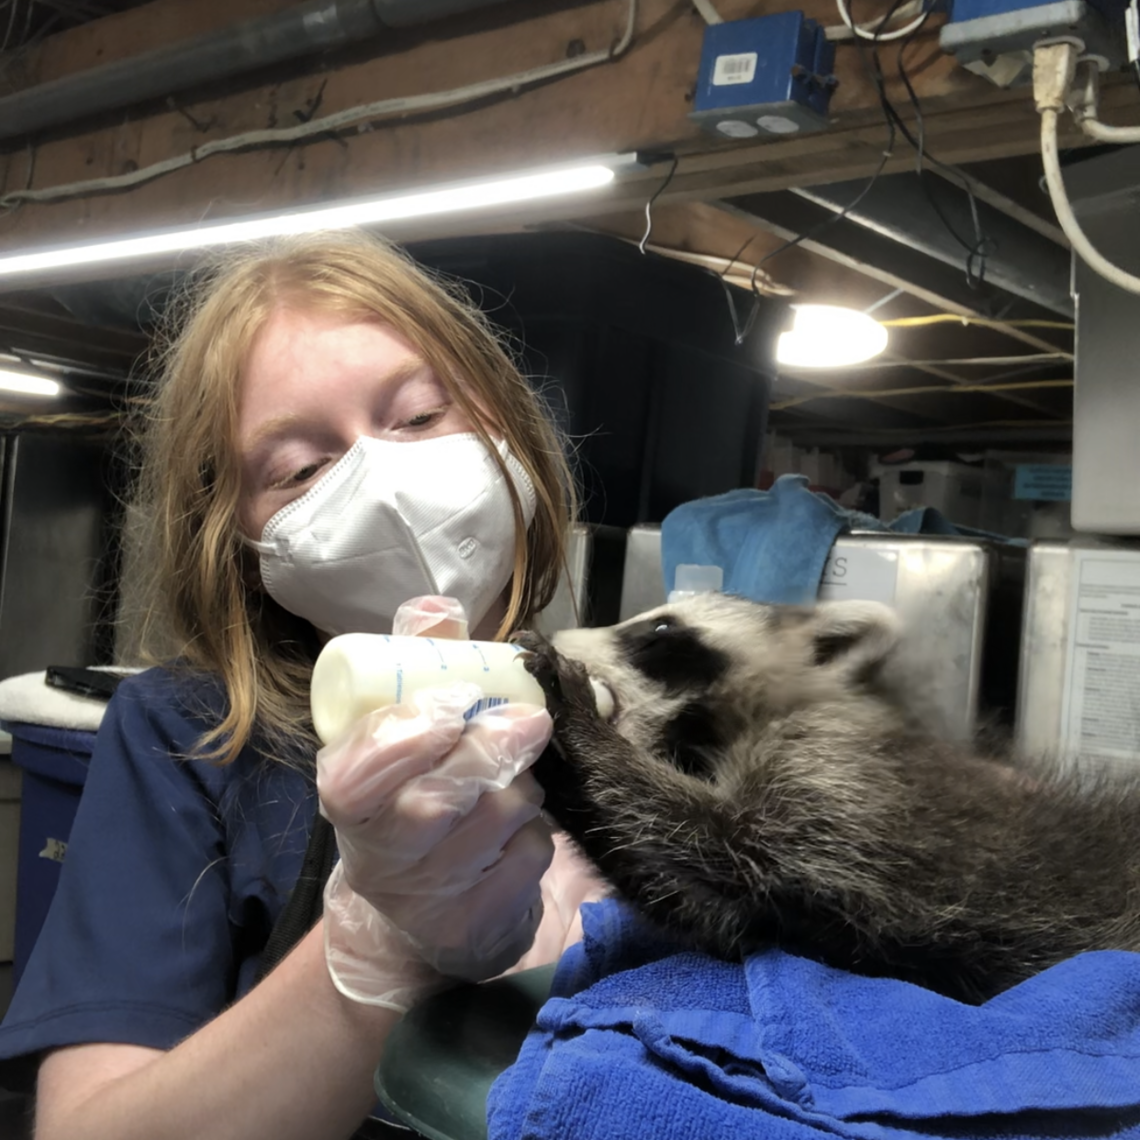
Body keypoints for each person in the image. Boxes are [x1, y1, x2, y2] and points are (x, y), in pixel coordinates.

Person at [0, 230, 605, 1140]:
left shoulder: (606, 711)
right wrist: (375, 947)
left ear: (505, 424)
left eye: (418, 417)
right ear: (234, 532)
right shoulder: (186, 734)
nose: (385, 482)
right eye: (301, 469)